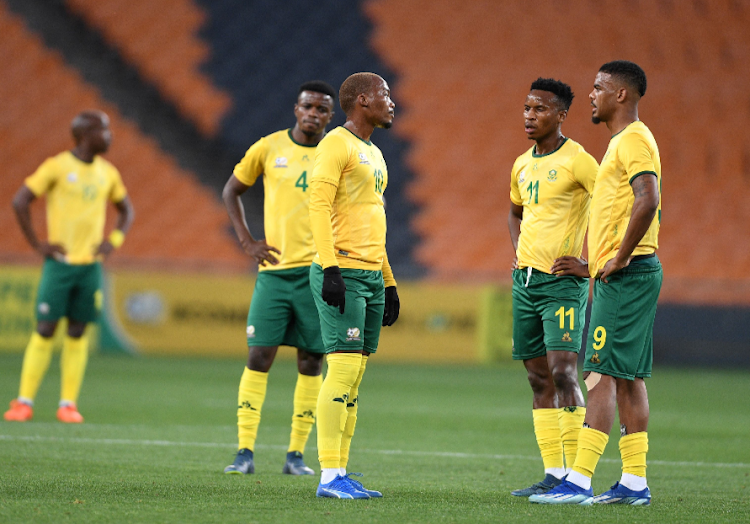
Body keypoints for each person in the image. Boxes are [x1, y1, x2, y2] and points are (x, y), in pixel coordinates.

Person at [531, 60, 662, 505]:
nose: (591, 94)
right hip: (629, 272)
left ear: (621, 95)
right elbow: (625, 210)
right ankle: (634, 483)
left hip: (629, 274)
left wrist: (618, 259)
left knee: (599, 374)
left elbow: (648, 200)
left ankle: (579, 480)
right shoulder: (621, 143)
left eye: (599, 87)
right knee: (628, 378)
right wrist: (597, 263)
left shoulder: (634, 140)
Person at [222, 81, 337, 476]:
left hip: (317, 274)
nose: (313, 114)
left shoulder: (335, 153)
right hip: (273, 273)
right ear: (296, 108)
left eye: (322, 110)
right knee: (258, 355)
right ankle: (244, 452)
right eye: (308, 106)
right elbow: (231, 190)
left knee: (311, 360)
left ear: (330, 117)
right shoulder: (268, 148)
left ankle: (295, 456)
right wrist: (246, 240)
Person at [4, 110, 134, 424]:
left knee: (78, 332)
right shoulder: (57, 167)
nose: (109, 135)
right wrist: (38, 244)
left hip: (90, 267)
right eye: (103, 130)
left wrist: (113, 241)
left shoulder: (108, 172)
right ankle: (24, 402)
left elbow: (126, 210)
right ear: (84, 135)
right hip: (59, 265)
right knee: (45, 328)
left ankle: (67, 404)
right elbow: (20, 201)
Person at [308, 72, 400, 499]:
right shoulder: (335, 144)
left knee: (355, 375)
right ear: (363, 101)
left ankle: (341, 472)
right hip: (342, 269)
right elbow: (318, 206)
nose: (391, 102)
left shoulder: (375, 153)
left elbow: (373, 220)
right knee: (342, 369)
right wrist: (329, 268)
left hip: (370, 273)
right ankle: (329, 476)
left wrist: (390, 281)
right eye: (384, 95)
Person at [507, 78, 599, 497]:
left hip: (562, 285)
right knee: (537, 378)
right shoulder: (521, 164)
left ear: (561, 115)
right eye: (527, 108)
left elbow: (611, 210)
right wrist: (519, 250)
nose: (530, 115)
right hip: (524, 282)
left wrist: (590, 265)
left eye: (540, 109)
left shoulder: (580, 160)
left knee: (563, 370)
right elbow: (514, 213)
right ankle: (553, 474)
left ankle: (578, 477)